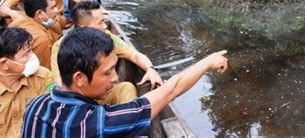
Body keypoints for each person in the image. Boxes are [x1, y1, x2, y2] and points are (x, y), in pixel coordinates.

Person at [22, 28, 227, 137]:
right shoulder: (94, 123)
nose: (115, 77)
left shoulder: (36, 105)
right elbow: (171, 89)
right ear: (80, 79)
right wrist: (208, 62)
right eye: (108, 72)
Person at [50, 0, 163, 104]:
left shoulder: (106, 37)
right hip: (76, 101)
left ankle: (128, 117)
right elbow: (61, 84)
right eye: (101, 22)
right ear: (85, 28)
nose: (105, 26)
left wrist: (150, 69)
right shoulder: (60, 47)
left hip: (101, 93)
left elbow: (134, 55)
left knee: (126, 87)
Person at [0, 27, 54, 137]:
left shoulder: (44, 77)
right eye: (26, 54)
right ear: (4, 64)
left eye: (31, 50)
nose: (32, 56)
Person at [9, 0, 64, 69]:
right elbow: (46, 70)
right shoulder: (42, 39)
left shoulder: (20, 19)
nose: (56, 10)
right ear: (40, 14)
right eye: (52, 8)